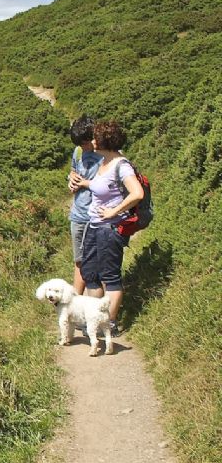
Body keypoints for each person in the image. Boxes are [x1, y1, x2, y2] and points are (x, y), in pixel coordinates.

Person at [75, 120, 144, 335]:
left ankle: (110, 323)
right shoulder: (104, 162)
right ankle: (95, 319)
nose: (92, 141)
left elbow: (137, 193)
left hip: (110, 229)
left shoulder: (120, 165)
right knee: (90, 273)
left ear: (106, 141)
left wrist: (114, 212)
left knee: (110, 276)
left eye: (96, 137)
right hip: (95, 226)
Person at [67, 115, 100, 294]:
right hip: (78, 214)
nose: (84, 148)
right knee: (79, 261)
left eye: (86, 143)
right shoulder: (78, 152)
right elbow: (73, 171)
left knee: (97, 263)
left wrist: (85, 184)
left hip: (99, 217)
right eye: (80, 145)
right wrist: (71, 179)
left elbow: (112, 185)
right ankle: (76, 302)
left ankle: (98, 311)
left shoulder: (107, 153)